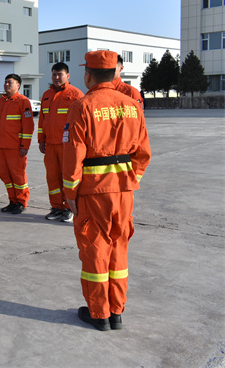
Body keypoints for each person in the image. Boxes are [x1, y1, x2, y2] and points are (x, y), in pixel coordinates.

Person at [63, 50, 151, 331]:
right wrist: (129, 178)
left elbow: (73, 155)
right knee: (119, 248)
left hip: (93, 192)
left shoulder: (82, 106)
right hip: (124, 192)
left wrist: (70, 193)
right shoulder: (132, 105)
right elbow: (143, 153)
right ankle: (116, 312)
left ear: (88, 75)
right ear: (115, 73)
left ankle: (99, 313)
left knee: (95, 250)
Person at [37, 62, 84, 223]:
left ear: (68, 76)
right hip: (50, 145)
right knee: (52, 178)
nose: (56, 77)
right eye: (54, 74)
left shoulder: (76, 94)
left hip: (68, 146)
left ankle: (69, 208)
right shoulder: (46, 95)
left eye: (60, 74)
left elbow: (82, 122)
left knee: (68, 177)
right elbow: (42, 120)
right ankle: (56, 207)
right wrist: (41, 140)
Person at [0, 74, 34, 214]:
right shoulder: (0, 102)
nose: (6, 85)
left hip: (15, 147)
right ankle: (12, 200)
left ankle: (21, 202)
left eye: (10, 82)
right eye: (5, 82)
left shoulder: (23, 101)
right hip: (1, 146)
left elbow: (28, 126)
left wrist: (24, 146)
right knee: (5, 175)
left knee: (18, 176)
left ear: (18, 85)